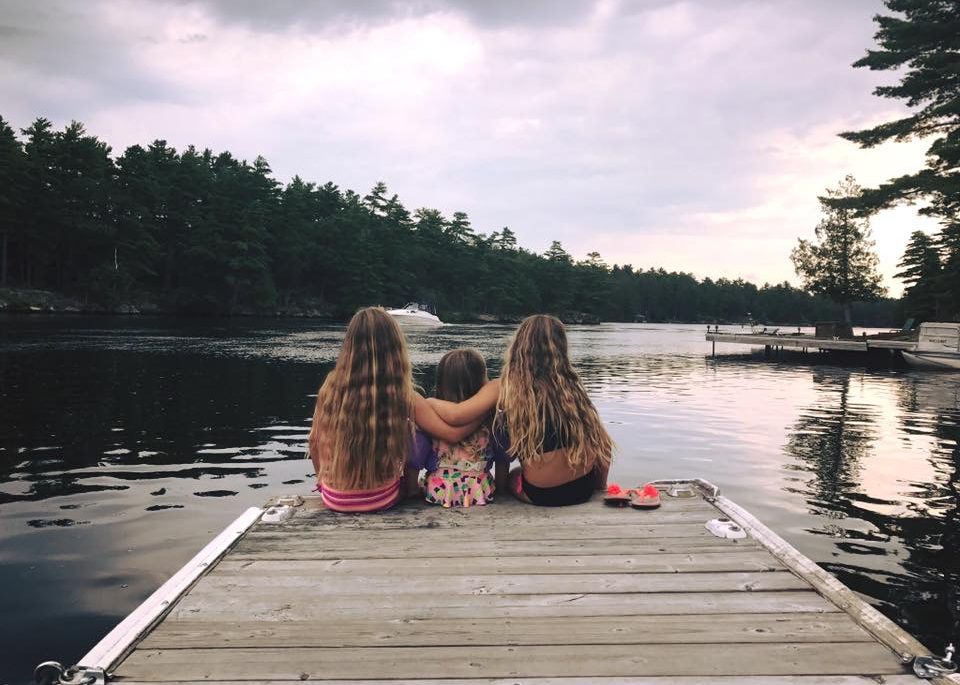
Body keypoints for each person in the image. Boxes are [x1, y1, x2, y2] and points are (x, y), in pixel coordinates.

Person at [307, 307, 482, 513]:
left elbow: (314, 441)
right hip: (382, 498)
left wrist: (323, 484)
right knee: (421, 435)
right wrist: (485, 410)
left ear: (350, 347)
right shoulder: (403, 395)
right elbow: (452, 434)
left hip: (334, 498)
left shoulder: (330, 389)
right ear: (395, 348)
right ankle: (411, 489)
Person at [428, 314, 613, 506]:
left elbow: (457, 415)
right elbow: (604, 447)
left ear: (518, 347)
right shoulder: (572, 388)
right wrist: (600, 487)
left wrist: (429, 402)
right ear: (562, 348)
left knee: (514, 476)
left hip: (541, 494)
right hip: (584, 488)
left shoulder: (506, 386)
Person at [421, 348, 510, 507]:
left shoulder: (432, 415)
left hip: (439, 491)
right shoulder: (493, 418)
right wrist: (502, 488)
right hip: (479, 492)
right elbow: (503, 459)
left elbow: (418, 456)